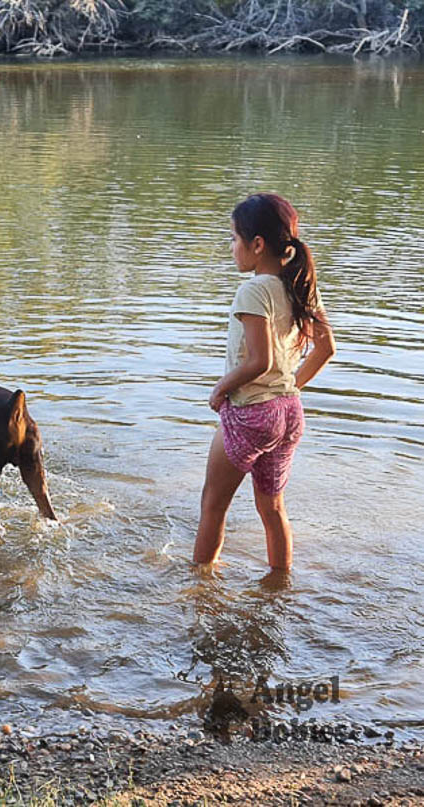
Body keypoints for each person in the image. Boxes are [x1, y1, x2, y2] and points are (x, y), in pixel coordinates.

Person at [193, 193, 336, 571]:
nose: (231, 248)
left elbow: (260, 361)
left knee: (212, 504)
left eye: (234, 239)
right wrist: (287, 390)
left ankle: (198, 589)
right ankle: (280, 584)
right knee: (272, 508)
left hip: (250, 413)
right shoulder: (302, 286)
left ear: (257, 245)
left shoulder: (253, 290)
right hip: (289, 413)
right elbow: (326, 349)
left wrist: (221, 387)